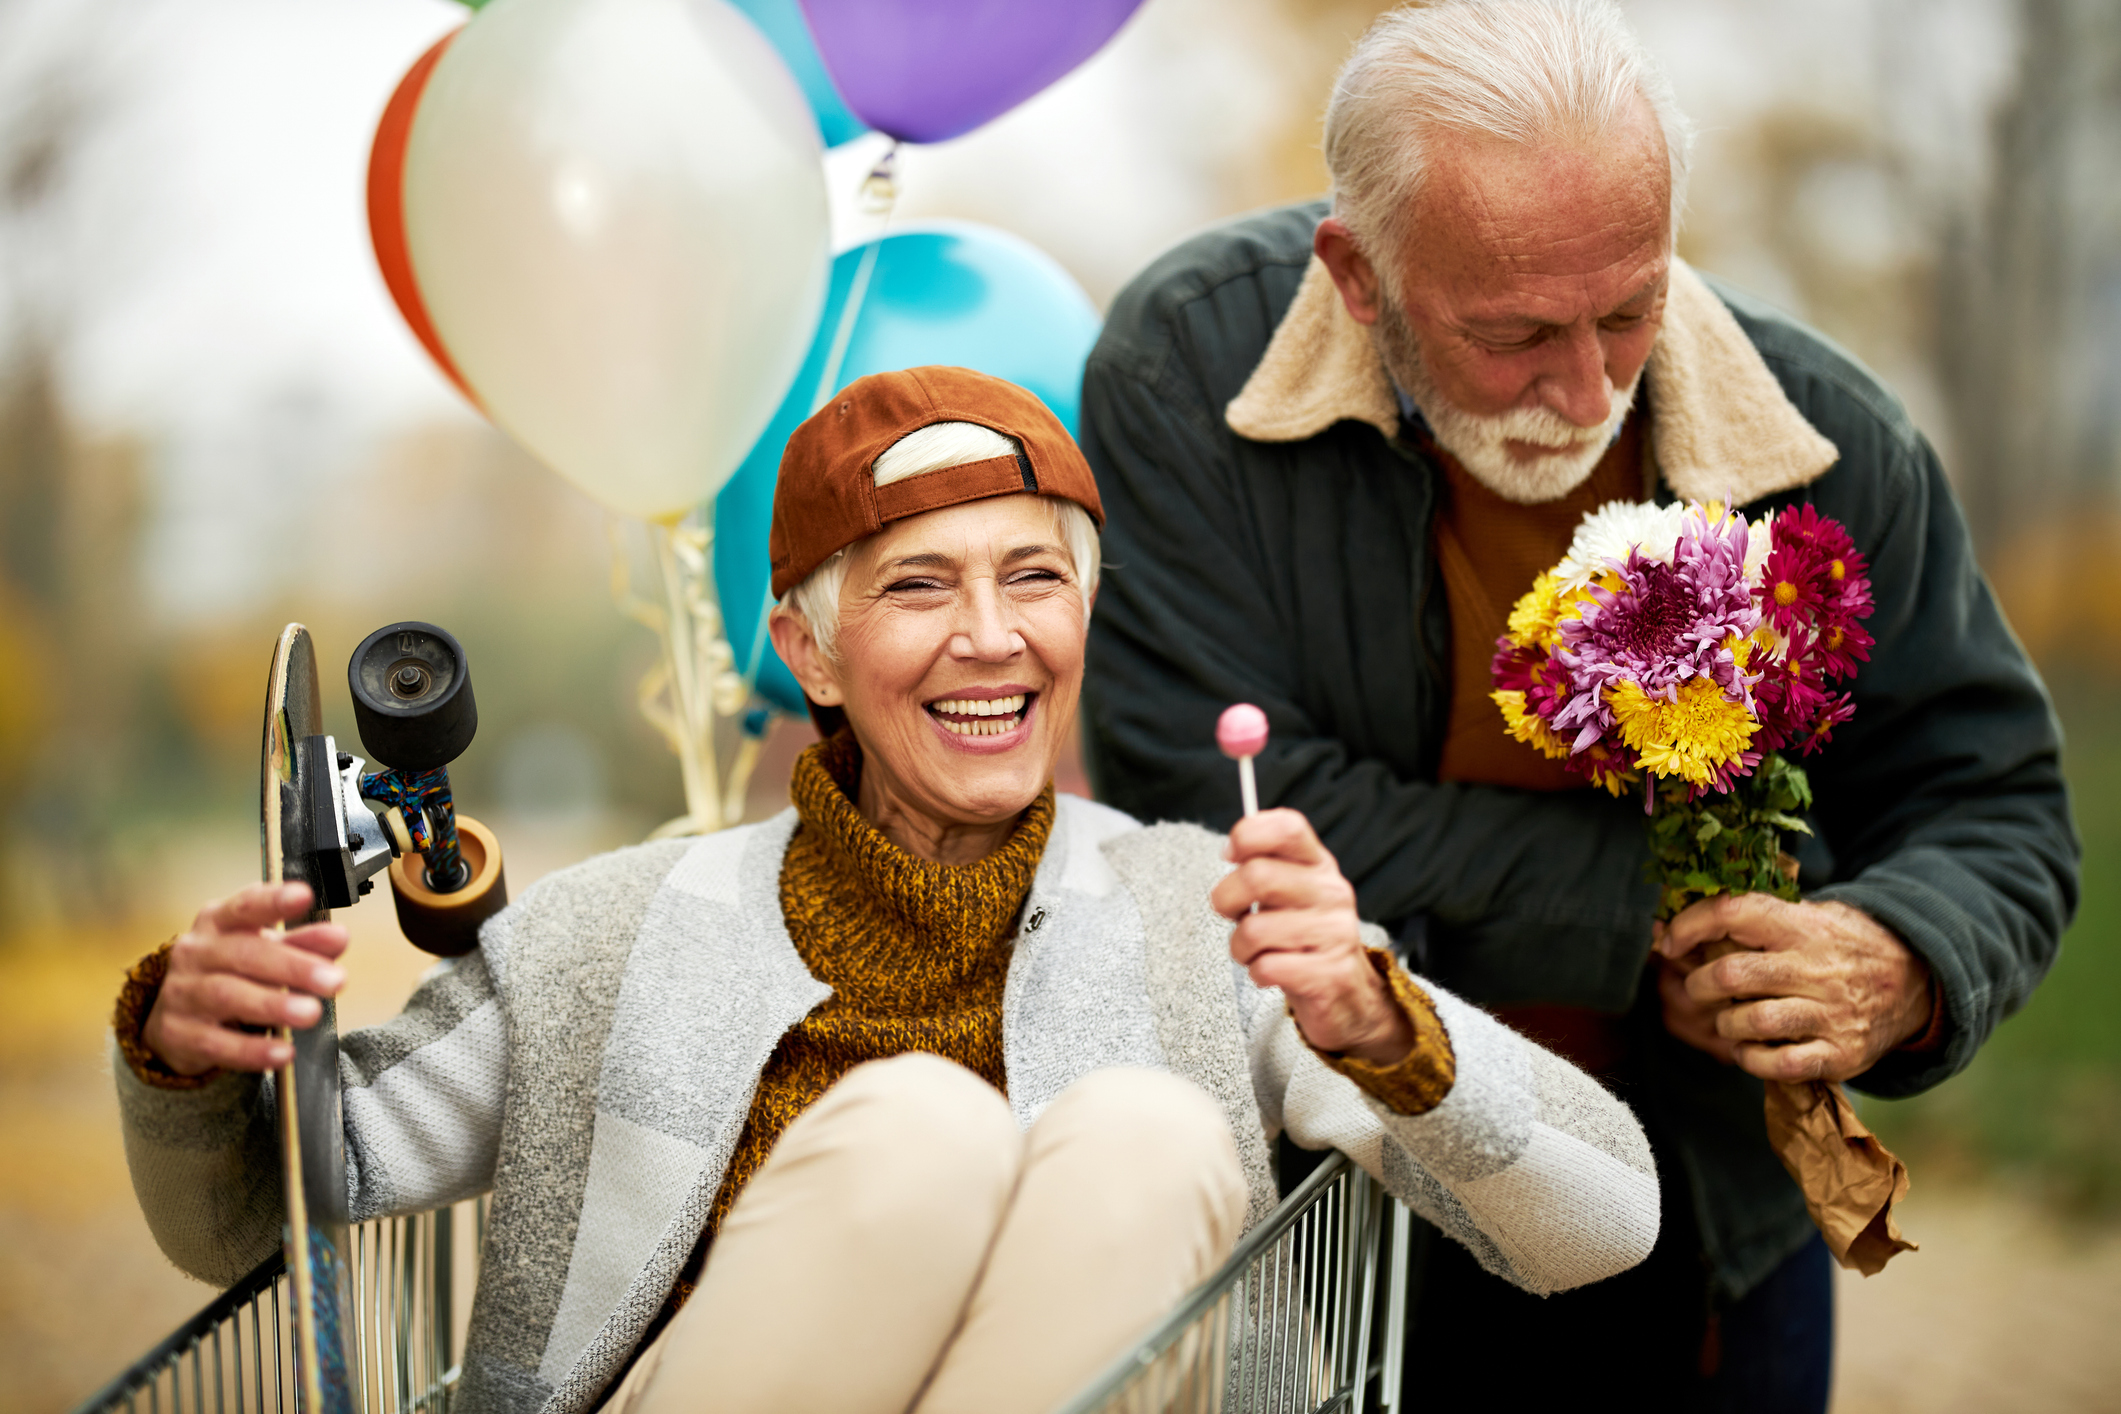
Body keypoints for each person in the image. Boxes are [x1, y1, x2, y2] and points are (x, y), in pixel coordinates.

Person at [112, 366, 1660, 1414]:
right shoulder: (617, 929)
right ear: (809, 651)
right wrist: (190, 1049)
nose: (991, 638)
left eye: (1033, 577)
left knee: (1149, 1127)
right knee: (921, 1126)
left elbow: (1604, 1218)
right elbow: (270, 1200)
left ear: (1082, 620)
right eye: (921, 586)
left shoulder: (1221, 918)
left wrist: (1377, 1024)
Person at [1076, 3, 2077, 1410]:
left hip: (1712, 1204)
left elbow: (1995, 807)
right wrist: (1649, 908)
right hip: (1344, 1195)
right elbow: (1213, 798)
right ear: (1357, 279)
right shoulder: (1185, 364)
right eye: (1516, 335)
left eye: (1629, 309)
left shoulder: (1833, 436)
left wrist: (1897, 953)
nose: (1590, 388)